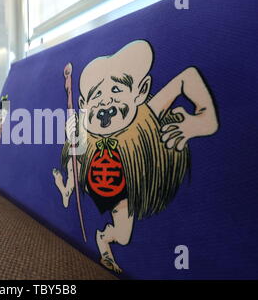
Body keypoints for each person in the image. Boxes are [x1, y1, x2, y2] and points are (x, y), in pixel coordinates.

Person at [52, 40, 219, 273]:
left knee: (122, 235)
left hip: (119, 193)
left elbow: (187, 77)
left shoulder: (146, 116)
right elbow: (74, 146)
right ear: (84, 104)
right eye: (97, 94)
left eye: (116, 89)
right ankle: (67, 186)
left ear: (140, 92)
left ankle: (103, 240)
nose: (106, 100)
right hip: (92, 180)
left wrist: (200, 121)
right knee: (74, 163)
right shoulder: (86, 129)